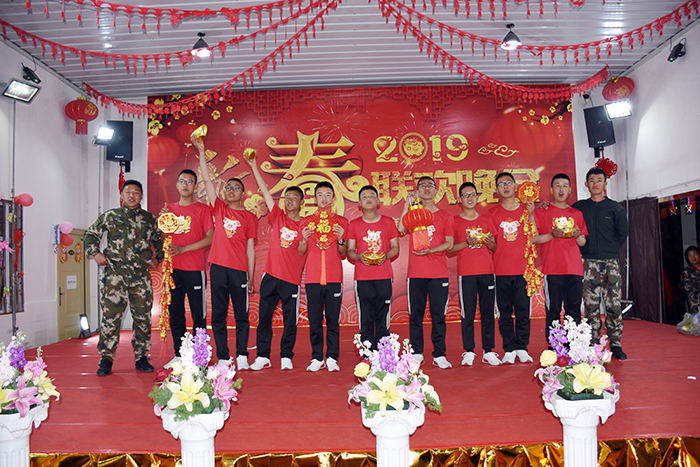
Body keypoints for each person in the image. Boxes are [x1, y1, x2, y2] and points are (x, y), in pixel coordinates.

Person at [85, 180, 163, 377]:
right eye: (128, 191)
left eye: (136, 192)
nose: (131, 195)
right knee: (110, 318)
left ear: (141, 196)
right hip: (115, 275)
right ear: (121, 195)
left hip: (140, 276)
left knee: (143, 317)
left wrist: (158, 259)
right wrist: (95, 253)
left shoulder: (150, 218)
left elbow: (159, 241)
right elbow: (90, 235)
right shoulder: (111, 216)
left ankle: (141, 356)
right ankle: (106, 358)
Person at [195, 134, 257, 370]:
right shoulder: (219, 209)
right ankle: (223, 356)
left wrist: (250, 276)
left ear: (243, 193)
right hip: (218, 268)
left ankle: (241, 354)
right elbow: (207, 180)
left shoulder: (249, 217)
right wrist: (202, 151)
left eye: (236, 188)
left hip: (239, 270)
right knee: (218, 315)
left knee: (241, 315)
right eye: (228, 187)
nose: (231, 190)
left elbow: (250, 248)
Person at [245, 155, 307, 371]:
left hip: (290, 280)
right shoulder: (279, 217)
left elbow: (303, 251)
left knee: (290, 320)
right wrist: (254, 166)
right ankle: (263, 355)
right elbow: (265, 192)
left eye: (294, 198)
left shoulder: (306, 225)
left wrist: (305, 239)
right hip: (270, 276)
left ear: (301, 202)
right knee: (264, 317)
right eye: (287, 197)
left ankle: (286, 355)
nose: (289, 201)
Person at [398, 176, 455, 369]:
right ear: (418, 191)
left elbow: (449, 244)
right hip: (416, 274)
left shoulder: (445, 216)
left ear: (436, 190)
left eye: (430, 185)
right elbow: (401, 228)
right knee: (416, 315)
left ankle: (440, 354)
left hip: (438, 274)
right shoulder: (414, 214)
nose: (427, 188)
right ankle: (416, 353)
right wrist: (407, 205)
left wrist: (431, 250)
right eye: (422, 186)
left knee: (438, 315)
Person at [572, 168, 629, 360]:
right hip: (589, 263)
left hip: (610, 262)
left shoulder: (614, 208)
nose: (595, 183)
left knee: (614, 304)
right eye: (591, 180)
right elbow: (564, 215)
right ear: (586, 184)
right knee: (591, 305)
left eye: (599, 180)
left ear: (605, 183)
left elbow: (622, 233)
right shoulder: (579, 207)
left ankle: (616, 343)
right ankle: (593, 342)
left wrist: (610, 249)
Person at [162, 169, 214, 363]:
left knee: (199, 314)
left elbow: (210, 238)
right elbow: (164, 239)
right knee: (176, 314)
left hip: (194, 269)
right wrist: (163, 222)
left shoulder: (202, 209)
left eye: (190, 181)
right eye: (182, 181)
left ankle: (200, 356)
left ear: (196, 187)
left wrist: (183, 249)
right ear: (176, 185)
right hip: (173, 269)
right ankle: (180, 355)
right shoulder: (169, 209)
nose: (185, 185)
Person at [448, 182, 501, 366]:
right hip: (466, 273)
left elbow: (494, 247)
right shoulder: (455, 221)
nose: (469, 198)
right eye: (465, 195)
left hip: (487, 271)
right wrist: (466, 243)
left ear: (478, 197)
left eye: (472, 195)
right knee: (467, 313)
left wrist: (489, 242)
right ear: (460, 199)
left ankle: (489, 351)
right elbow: (450, 249)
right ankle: (469, 351)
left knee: (488, 313)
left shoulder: (487, 219)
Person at [299, 181, 349, 372]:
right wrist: (304, 239)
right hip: (313, 278)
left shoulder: (341, 222)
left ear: (333, 198)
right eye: (320, 194)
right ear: (314, 198)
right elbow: (301, 251)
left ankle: (332, 357)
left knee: (333, 320)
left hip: (334, 278)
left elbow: (343, 253)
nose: (324, 198)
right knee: (314, 320)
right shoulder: (306, 222)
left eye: (328, 194)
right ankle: (317, 357)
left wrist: (341, 239)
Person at [489, 172, 537, 365]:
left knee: (523, 311)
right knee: (504, 312)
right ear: (496, 190)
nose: (505, 186)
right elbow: (491, 244)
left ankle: (522, 347)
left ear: (516, 186)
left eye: (509, 182)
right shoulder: (492, 214)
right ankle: (509, 348)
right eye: (501, 184)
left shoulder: (527, 209)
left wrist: (531, 215)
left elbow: (534, 237)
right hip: (501, 270)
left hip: (524, 270)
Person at [346, 185, 400, 349]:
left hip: (384, 276)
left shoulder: (388, 222)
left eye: (371, 196)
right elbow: (350, 251)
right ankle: (367, 351)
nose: (368, 199)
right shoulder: (354, 224)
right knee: (366, 316)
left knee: (383, 315)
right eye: (364, 196)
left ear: (378, 201)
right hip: (363, 277)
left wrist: (385, 256)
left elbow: (395, 248)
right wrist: (359, 257)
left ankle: (384, 351)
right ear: (359, 203)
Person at [535, 173, 588, 341]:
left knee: (574, 311)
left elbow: (582, 242)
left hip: (574, 269)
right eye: (557, 185)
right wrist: (552, 235)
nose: (561, 189)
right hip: (552, 269)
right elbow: (535, 239)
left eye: (565, 185)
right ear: (551, 190)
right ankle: (555, 346)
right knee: (553, 311)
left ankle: (574, 346)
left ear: (570, 190)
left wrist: (577, 235)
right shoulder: (542, 212)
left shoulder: (576, 213)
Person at [681, 246, 700, 313]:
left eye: (695, 254)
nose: (693, 257)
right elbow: (687, 287)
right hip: (696, 303)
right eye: (690, 256)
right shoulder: (687, 271)